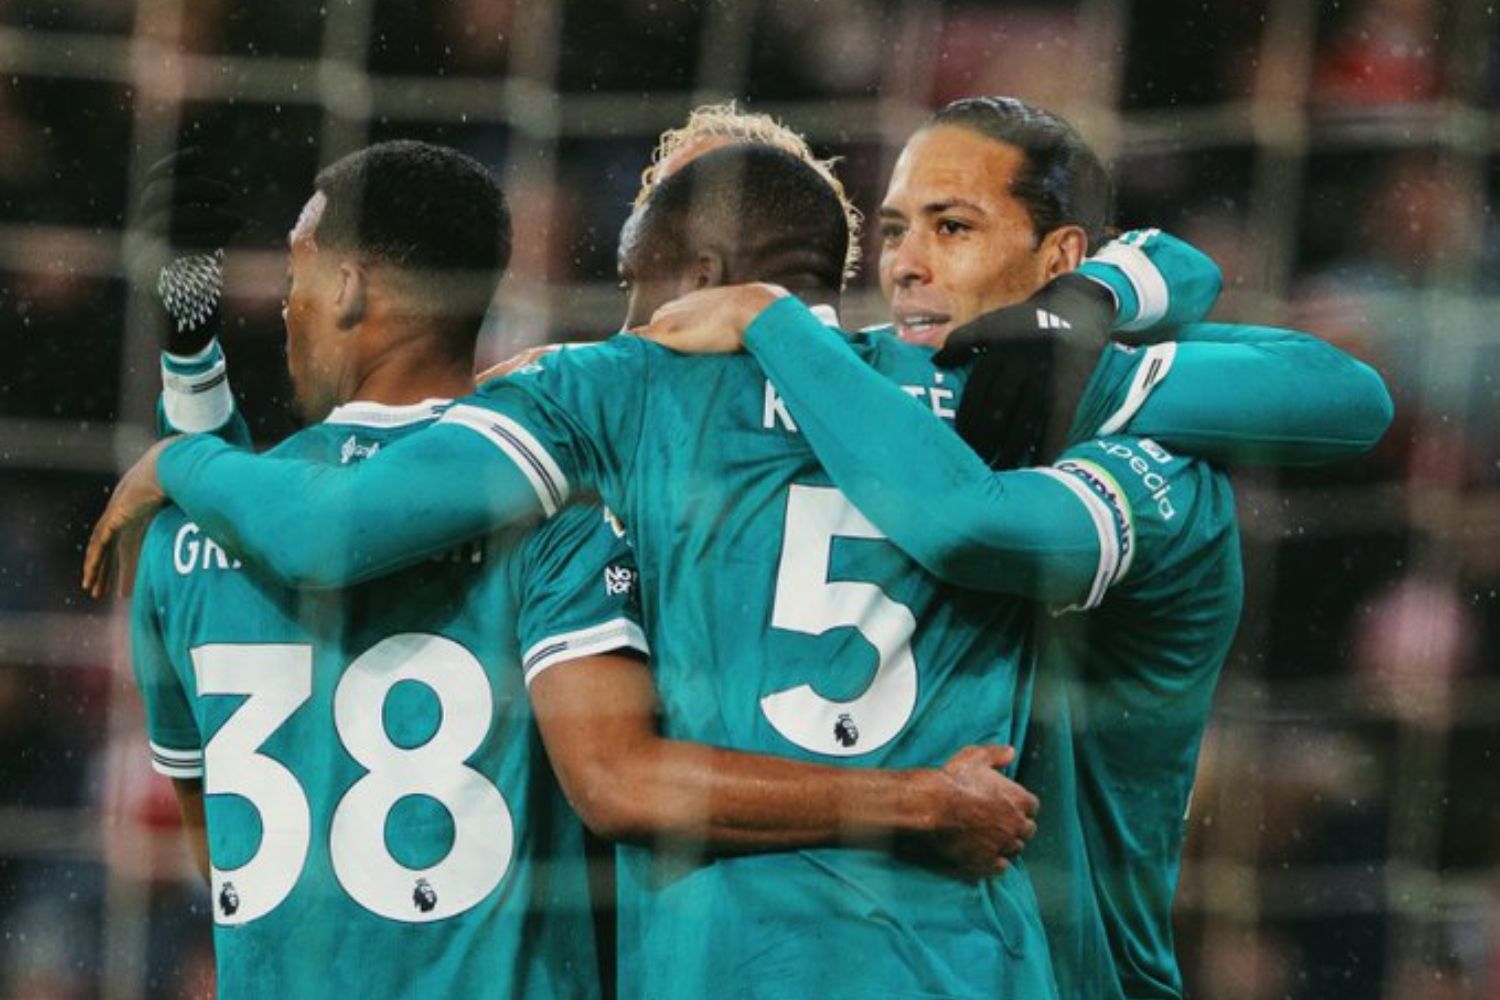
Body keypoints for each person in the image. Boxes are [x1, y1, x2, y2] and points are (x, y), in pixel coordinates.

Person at [635, 96, 1393, 1000]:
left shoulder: (1149, 462)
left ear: (1060, 258)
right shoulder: (847, 386)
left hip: (1076, 971)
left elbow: (1345, 394)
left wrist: (1083, 318)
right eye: (893, 231)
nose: (908, 266)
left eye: (952, 227)